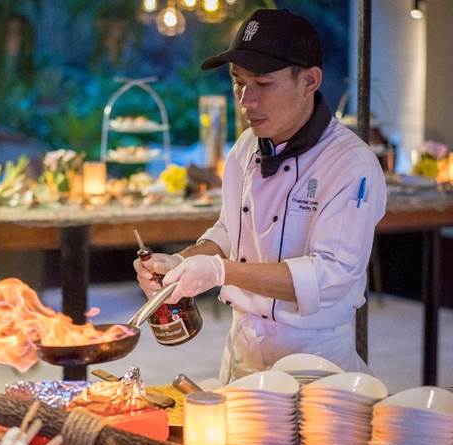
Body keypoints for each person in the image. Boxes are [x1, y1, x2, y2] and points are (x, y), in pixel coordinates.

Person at [134, 8, 387, 383]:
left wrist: (220, 272)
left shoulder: (350, 164)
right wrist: (182, 263)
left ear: (310, 80)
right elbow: (229, 230)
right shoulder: (245, 147)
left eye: (263, 84)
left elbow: (329, 275)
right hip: (242, 352)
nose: (245, 100)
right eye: (238, 83)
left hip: (314, 361)